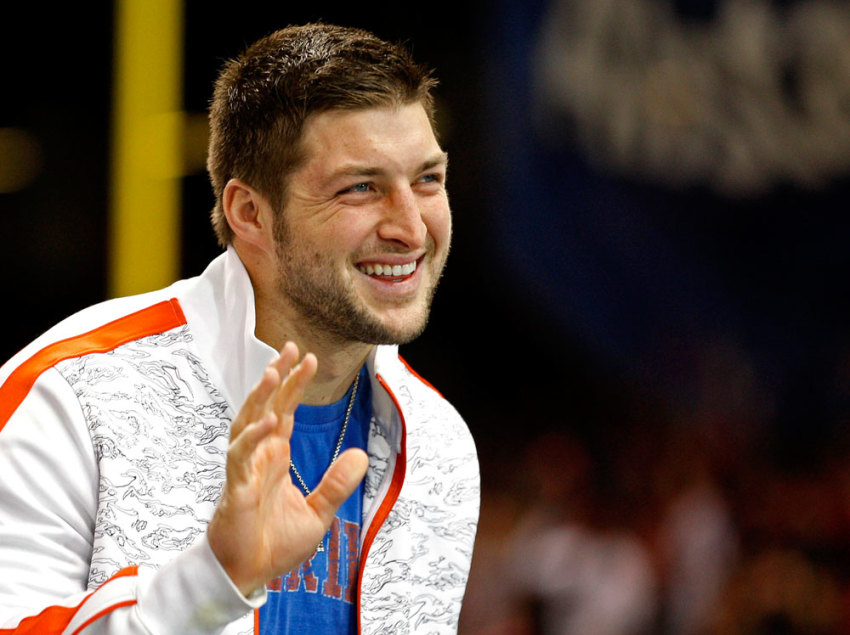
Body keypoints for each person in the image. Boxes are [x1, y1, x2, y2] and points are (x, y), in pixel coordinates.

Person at [0, 23, 480, 634]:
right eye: (361, 188)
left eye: (427, 180)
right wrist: (212, 581)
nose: (411, 229)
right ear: (249, 213)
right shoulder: (72, 395)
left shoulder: (440, 447)